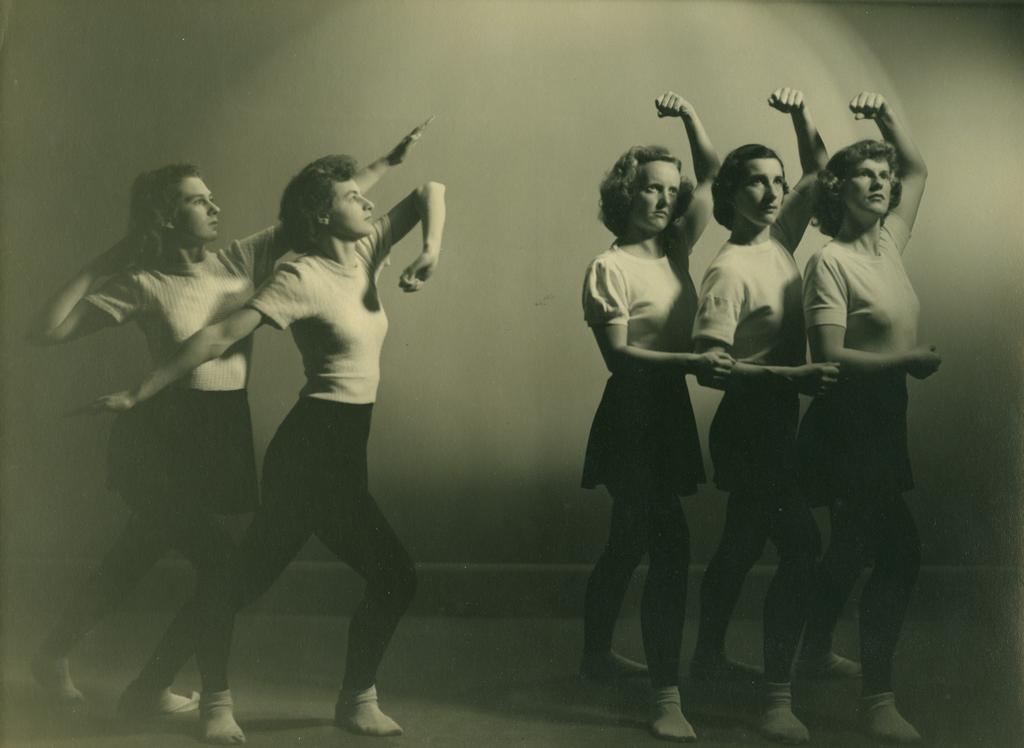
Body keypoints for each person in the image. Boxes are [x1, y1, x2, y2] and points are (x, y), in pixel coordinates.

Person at [29, 123, 429, 744]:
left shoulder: (240, 260)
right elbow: (48, 331)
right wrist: (114, 258)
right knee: (217, 565)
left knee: (142, 557)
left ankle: (86, 662)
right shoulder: (142, 283)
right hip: (162, 434)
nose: (215, 205)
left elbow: (318, 208)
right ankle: (201, 697)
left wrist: (386, 161)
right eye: (197, 199)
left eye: (212, 196)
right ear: (164, 217)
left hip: (222, 429)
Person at [688, 88, 838, 744]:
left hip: (778, 420)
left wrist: (801, 119)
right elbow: (708, 367)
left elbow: (819, 172)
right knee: (801, 548)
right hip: (750, 425)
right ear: (729, 194)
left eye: (778, 180)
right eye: (758, 182)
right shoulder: (727, 271)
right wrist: (794, 376)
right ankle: (776, 699)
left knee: (742, 545)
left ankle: (707, 659)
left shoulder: (781, 236)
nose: (775, 191)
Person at [580, 91, 730, 742]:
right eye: (651, 189)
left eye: (671, 189)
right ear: (625, 195)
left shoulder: (676, 253)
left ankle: (592, 656)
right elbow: (619, 358)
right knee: (669, 547)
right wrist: (693, 363)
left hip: (667, 413)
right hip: (632, 416)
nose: (666, 198)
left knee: (627, 544)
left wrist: (690, 119)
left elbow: (716, 178)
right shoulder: (607, 267)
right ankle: (667, 697)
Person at [798, 91, 935, 744]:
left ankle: (811, 649)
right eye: (865, 174)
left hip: (885, 418)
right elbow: (828, 359)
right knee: (899, 554)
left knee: (850, 550)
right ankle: (877, 700)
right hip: (846, 425)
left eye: (884, 175)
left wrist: (886, 117)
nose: (882, 182)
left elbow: (918, 168)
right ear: (838, 189)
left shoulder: (890, 246)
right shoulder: (830, 260)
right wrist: (905, 360)